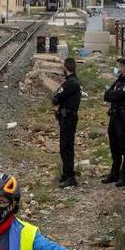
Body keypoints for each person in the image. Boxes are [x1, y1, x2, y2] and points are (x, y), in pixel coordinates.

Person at [103, 57, 125, 187]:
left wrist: (114, 94)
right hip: (114, 117)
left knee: (124, 148)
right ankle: (114, 173)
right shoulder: (119, 81)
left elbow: (116, 95)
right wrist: (114, 94)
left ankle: (124, 176)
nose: (118, 67)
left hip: (122, 119)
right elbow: (107, 95)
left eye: (120, 65)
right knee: (114, 146)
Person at [52, 56, 81, 188]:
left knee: (66, 148)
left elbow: (56, 98)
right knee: (64, 147)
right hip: (66, 117)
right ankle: (66, 174)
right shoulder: (72, 82)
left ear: (65, 67)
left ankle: (70, 176)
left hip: (68, 118)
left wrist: (56, 97)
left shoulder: (70, 83)